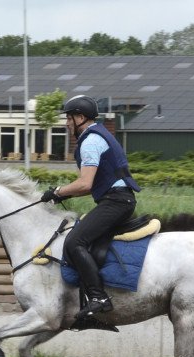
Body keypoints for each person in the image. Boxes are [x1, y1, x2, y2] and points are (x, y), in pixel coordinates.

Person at [41, 95, 141, 320]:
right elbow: (91, 186)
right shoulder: (98, 135)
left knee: (75, 241)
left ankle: (99, 297)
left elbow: (85, 183)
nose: (66, 124)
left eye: (68, 118)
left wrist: (57, 191)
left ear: (80, 117)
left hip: (116, 202)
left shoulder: (90, 141)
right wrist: (61, 193)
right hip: (118, 199)